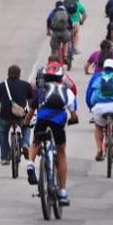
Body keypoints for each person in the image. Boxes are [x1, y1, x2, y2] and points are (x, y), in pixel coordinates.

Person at [24, 65, 78, 206]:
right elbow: (73, 114)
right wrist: (73, 119)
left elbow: (31, 110)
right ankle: (63, 192)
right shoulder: (67, 91)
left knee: (36, 142)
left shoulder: (41, 91)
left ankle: (30, 165)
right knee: (61, 152)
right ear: (61, 78)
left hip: (42, 121)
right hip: (58, 122)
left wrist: (26, 123)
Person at [0, 65, 34, 165]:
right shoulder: (26, 85)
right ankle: (25, 143)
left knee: (3, 132)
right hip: (20, 115)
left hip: (5, 115)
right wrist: (29, 113)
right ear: (19, 74)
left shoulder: (0, 86)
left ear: (8, 74)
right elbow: (31, 103)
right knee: (26, 126)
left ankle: (4, 158)